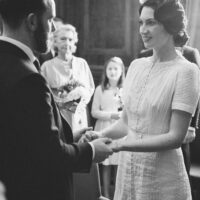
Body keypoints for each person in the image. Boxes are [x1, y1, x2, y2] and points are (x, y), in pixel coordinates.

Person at [84, 0, 200, 199]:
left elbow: (175, 137)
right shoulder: (136, 66)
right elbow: (125, 123)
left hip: (162, 177)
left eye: (151, 22)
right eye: (141, 23)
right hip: (128, 170)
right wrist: (99, 135)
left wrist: (121, 145)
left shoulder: (186, 71)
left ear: (170, 25)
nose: (143, 30)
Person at [0, 1, 113, 200]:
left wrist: (68, 135)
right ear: (33, 22)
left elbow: (24, 138)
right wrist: (92, 151)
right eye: (50, 20)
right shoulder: (29, 79)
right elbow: (50, 156)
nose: (53, 28)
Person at [138, 46, 200, 175]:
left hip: (179, 118)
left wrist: (192, 126)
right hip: (151, 120)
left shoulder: (190, 54)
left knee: (180, 163)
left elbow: (196, 90)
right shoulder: (144, 55)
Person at [41, 24, 95, 132]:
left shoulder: (82, 63)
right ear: (55, 41)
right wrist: (63, 101)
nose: (67, 43)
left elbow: (90, 88)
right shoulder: (47, 66)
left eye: (70, 39)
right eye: (63, 39)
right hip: (59, 116)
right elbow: (43, 93)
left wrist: (80, 103)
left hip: (79, 115)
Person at [91, 56, 125, 198]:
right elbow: (94, 112)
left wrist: (122, 113)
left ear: (121, 71)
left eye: (115, 69)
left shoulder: (125, 89)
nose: (112, 71)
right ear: (105, 71)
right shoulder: (100, 89)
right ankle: (104, 194)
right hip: (104, 128)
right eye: (109, 68)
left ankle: (118, 194)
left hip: (120, 130)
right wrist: (111, 115)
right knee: (105, 164)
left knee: (118, 164)